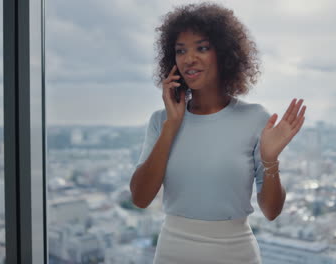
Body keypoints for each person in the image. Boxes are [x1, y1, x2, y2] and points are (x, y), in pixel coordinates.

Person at [130, 2, 306, 264]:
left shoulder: (255, 118)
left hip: (236, 252)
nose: (189, 58)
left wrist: (270, 159)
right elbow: (140, 198)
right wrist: (172, 125)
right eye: (181, 50)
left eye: (202, 47)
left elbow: (271, 211)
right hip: (173, 251)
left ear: (224, 54)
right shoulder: (161, 121)